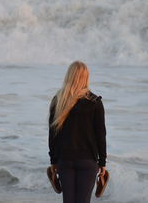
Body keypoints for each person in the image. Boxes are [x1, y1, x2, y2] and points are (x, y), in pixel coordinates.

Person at [48, 61, 107, 203]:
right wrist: (102, 162)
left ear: (69, 76)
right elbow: (101, 135)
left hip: (64, 160)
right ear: (86, 77)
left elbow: (53, 135)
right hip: (87, 161)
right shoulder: (95, 102)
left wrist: (54, 161)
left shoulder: (58, 101)